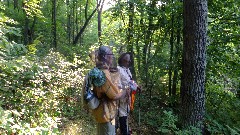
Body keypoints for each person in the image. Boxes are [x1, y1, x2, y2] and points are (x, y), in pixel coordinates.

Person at [86, 46, 128, 135]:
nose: (112, 56)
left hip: (104, 112)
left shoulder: (99, 70)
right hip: (105, 113)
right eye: (111, 54)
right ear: (105, 56)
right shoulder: (103, 73)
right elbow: (114, 96)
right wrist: (125, 91)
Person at [117, 53, 138, 135]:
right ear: (122, 59)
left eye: (129, 60)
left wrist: (136, 86)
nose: (129, 61)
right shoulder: (118, 69)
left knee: (126, 113)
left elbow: (131, 82)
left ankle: (125, 130)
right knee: (122, 114)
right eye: (127, 59)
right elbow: (118, 84)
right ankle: (124, 132)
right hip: (122, 97)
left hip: (128, 97)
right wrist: (126, 89)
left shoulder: (127, 70)